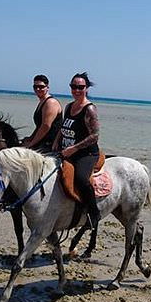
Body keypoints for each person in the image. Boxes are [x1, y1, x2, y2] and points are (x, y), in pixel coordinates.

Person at [54, 71, 101, 226]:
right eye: (73, 86)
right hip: (66, 150)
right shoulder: (68, 107)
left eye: (80, 87)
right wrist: (56, 143)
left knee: (81, 179)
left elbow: (94, 136)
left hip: (86, 153)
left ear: (86, 88)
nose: (76, 90)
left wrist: (73, 149)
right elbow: (63, 128)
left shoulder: (89, 109)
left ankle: (93, 213)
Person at [21, 75, 63, 153]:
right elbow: (39, 126)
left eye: (41, 87)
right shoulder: (42, 102)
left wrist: (31, 144)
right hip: (42, 140)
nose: (38, 89)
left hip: (50, 143)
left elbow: (45, 126)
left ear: (47, 87)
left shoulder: (51, 102)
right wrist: (30, 138)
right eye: (35, 86)